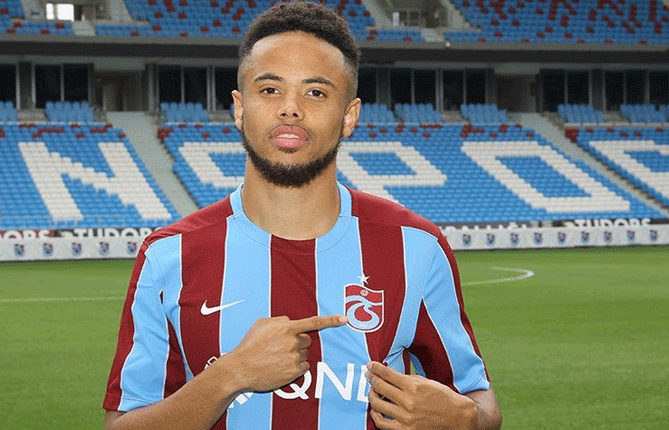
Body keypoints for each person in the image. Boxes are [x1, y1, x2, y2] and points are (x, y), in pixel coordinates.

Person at [102, 2, 502, 429]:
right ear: (239, 108)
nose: (290, 108)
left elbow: (479, 403)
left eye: (315, 93)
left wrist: (465, 420)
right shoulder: (170, 255)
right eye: (269, 90)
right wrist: (229, 375)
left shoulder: (416, 247)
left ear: (349, 116)